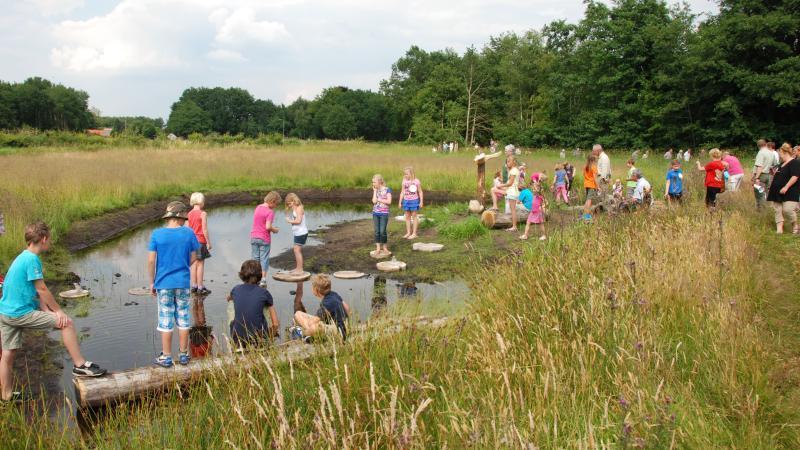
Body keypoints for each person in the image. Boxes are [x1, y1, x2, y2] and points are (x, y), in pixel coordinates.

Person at [0, 222, 106, 401]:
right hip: (19, 313)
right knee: (67, 324)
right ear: (43, 239)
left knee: (8, 354)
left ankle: (6, 395)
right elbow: (42, 289)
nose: (50, 242)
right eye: (49, 238)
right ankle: (79, 365)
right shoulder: (33, 259)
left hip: (6, 313)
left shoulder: (23, 257)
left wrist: (45, 309)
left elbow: (36, 289)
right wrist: (59, 312)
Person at [148, 201, 200, 368]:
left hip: (163, 283)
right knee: (184, 318)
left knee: (166, 319)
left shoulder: (156, 234)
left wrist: (152, 282)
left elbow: (151, 261)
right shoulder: (189, 233)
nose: (185, 221)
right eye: (184, 218)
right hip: (183, 282)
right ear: (179, 217)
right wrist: (184, 264)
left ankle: (167, 357)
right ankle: (184, 355)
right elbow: (195, 256)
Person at [228, 260, 279, 347]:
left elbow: (228, 298)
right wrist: (270, 337)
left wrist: (233, 298)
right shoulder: (264, 292)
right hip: (260, 338)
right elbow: (276, 324)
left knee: (231, 303)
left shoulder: (236, 289)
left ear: (242, 275)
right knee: (266, 304)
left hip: (238, 338)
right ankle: (266, 342)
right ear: (260, 276)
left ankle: (236, 342)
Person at [292, 274, 350, 342]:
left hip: (338, 330)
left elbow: (314, 321)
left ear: (316, 290)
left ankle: (303, 333)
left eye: (312, 287)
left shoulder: (326, 303)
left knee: (314, 327)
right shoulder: (334, 294)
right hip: (346, 325)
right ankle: (308, 332)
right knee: (298, 313)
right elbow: (347, 308)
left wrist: (308, 322)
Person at [766, 143, 800, 234]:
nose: (779, 155)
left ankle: (795, 225)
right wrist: (774, 173)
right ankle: (779, 229)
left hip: (790, 190)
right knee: (777, 209)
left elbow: (795, 176)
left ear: (785, 152)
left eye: (780, 153)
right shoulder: (781, 164)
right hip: (776, 191)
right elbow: (780, 176)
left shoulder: (795, 162)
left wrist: (786, 187)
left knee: (788, 209)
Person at [250, 192, 281, 286]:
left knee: (255, 258)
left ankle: (254, 277)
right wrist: (274, 230)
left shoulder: (258, 207)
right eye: (276, 204)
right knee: (264, 259)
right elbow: (268, 227)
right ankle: (263, 279)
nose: (275, 206)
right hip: (264, 238)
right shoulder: (270, 212)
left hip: (254, 237)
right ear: (273, 201)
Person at [188, 192, 211, 295]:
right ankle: (200, 287)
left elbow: (188, 229)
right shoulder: (203, 213)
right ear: (201, 202)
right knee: (200, 264)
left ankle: (194, 285)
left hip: (191, 242)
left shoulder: (189, 214)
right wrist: (208, 243)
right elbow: (204, 229)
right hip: (200, 241)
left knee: (193, 264)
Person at [284, 193, 308, 275]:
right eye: (288, 204)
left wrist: (289, 221)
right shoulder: (296, 208)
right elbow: (296, 220)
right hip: (298, 233)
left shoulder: (299, 208)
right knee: (296, 250)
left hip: (301, 233)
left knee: (297, 250)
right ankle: (298, 268)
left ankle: (300, 270)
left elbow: (298, 221)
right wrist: (291, 220)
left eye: (290, 203)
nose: (289, 206)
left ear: (294, 201)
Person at [398, 166, 424, 240]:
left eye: (406, 174)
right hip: (406, 201)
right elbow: (402, 192)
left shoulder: (416, 181)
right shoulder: (404, 181)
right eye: (404, 174)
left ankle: (414, 233)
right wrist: (400, 202)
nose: (405, 175)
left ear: (411, 173)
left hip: (414, 201)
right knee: (407, 216)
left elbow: (420, 191)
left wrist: (421, 201)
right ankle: (408, 232)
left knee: (414, 216)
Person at [752, 139, 778, 209]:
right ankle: (768, 207)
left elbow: (760, 166)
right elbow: (775, 165)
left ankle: (761, 210)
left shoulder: (761, 152)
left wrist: (756, 177)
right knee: (766, 193)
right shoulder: (771, 153)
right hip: (768, 175)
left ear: (758, 145)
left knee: (760, 194)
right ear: (766, 144)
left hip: (761, 176)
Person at [371, 174, 392, 257]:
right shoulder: (375, 190)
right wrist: (375, 191)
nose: (373, 184)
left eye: (374, 182)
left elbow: (389, 202)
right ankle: (378, 248)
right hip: (375, 213)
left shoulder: (387, 190)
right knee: (377, 231)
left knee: (382, 231)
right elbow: (373, 201)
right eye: (372, 182)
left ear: (379, 182)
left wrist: (379, 199)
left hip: (384, 214)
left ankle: (385, 247)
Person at [501, 156, 521, 231]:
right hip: (513, 191)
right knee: (513, 209)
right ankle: (514, 225)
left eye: (509, 161)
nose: (507, 163)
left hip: (512, 191)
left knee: (513, 210)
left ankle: (514, 226)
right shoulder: (514, 170)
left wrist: (501, 185)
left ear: (514, 162)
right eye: (507, 161)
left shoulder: (513, 171)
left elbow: (510, 183)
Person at [582, 154, 599, 221]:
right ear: (593, 160)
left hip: (586, 184)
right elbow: (595, 178)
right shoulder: (593, 167)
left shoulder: (585, 166)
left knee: (587, 200)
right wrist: (598, 187)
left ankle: (585, 215)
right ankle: (587, 216)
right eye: (596, 160)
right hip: (592, 185)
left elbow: (584, 175)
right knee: (589, 201)